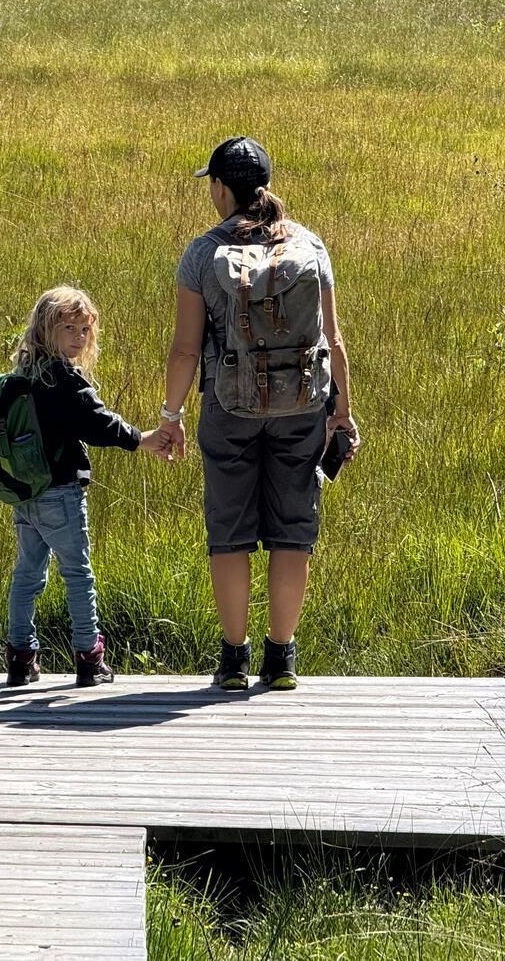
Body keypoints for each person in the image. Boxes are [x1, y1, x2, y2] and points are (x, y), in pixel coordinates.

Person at [152, 137, 357, 691]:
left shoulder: (202, 253)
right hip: (303, 406)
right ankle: (282, 658)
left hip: (228, 407)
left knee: (231, 532)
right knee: (293, 530)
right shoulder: (310, 245)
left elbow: (185, 350)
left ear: (221, 189)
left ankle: (233, 662)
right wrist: (341, 413)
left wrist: (170, 416)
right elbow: (334, 340)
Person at [0, 287, 163, 687]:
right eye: (69, 328)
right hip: (61, 493)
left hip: (25, 495)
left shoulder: (19, 378)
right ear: (45, 330)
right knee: (78, 573)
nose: (79, 337)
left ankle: (21, 658)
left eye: (85, 329)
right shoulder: (64, 378)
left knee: (27, 575)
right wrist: (140, 439)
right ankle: (89, 657)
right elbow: (97, 423)